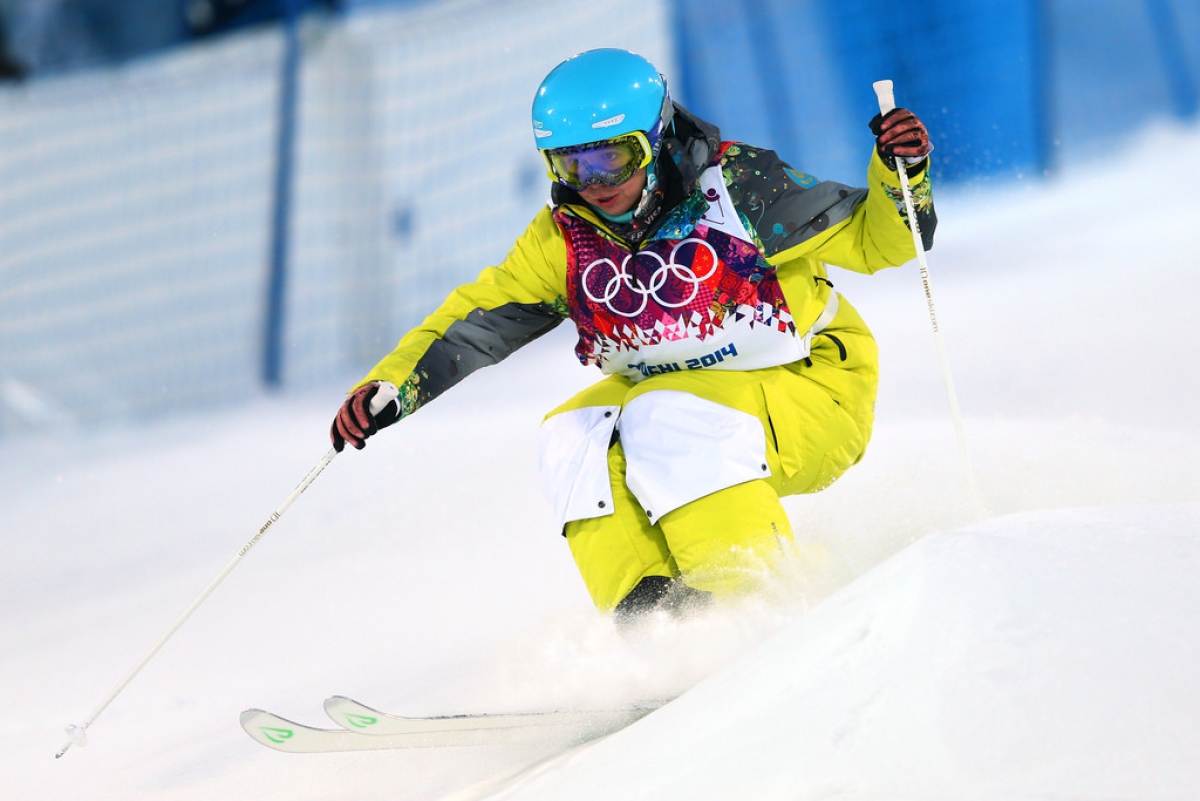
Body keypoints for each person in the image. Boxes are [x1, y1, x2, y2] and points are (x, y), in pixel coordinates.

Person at [331, 48, 935, 623]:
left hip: (811, 386)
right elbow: (474, 320)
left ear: (657, 140)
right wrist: (394, 386)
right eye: (571, 164)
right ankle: (653, 625)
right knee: (572, 437)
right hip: (682, 404)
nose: (593, 181)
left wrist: (899, 173)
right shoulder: (564, 241)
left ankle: (756, 602)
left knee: (667, 416)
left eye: (611, 158)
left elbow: (880, 239)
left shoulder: (738, 187)